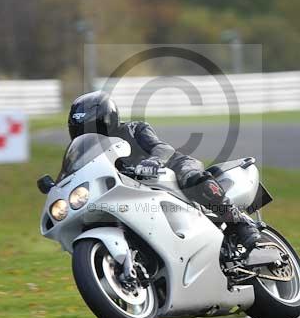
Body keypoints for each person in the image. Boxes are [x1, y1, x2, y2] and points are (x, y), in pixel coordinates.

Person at [66, 91, 261, 252]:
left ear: (107, 121)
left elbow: (162, 148)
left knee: (191, 177)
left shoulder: (134, 129)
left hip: (171, 169)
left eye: (92, 128)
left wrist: (154, 160)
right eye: (81, 132)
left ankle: (238, 222)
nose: (88, 136)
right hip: (134, 192)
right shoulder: (89, 154)